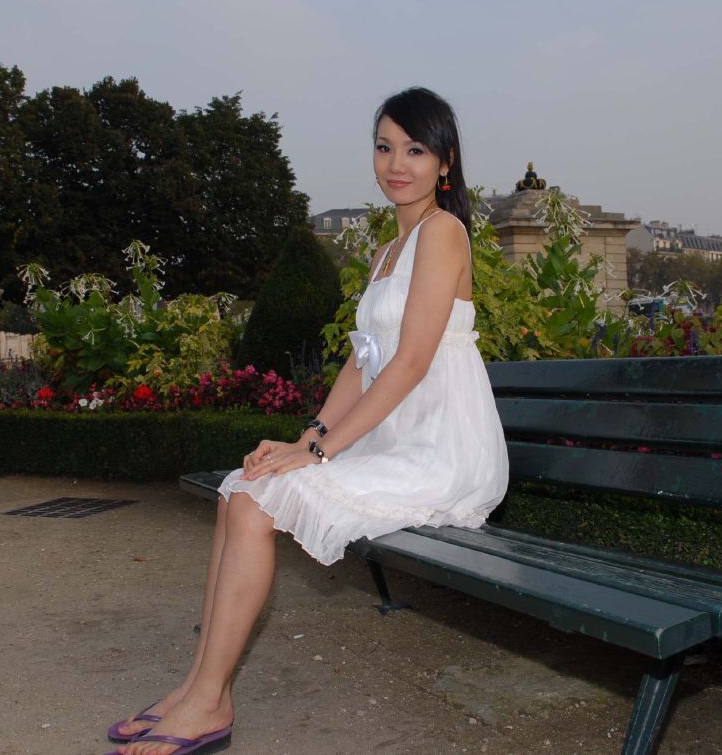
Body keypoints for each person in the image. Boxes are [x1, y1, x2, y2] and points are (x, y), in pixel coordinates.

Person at [106, 87, 509, 755]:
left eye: (415, 149)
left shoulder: (443, 233)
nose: (396, 164)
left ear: (445, 162)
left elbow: (411, 362)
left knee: (255, 500)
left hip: (442, 449)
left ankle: (209, 702)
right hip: (398, 440)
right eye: (384, 147)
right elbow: (363, 360)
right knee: (242, 486)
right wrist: (308, 436)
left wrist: (320, 456)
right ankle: (199, 685)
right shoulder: (389, 250)